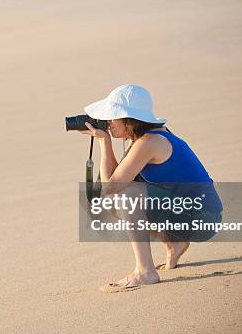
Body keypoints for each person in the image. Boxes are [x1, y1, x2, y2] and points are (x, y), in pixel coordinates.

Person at [79, 84, 222, 292]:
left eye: (112, 117)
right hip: (200, 213)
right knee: (118, 199)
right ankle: (174, 243)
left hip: (204, 217)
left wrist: (104, 144)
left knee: (126, 195)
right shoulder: (150, 137)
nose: (108, 123)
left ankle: (145, 271)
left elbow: (111, 186)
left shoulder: (149, 143)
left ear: (129, 118)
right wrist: (105, 141)